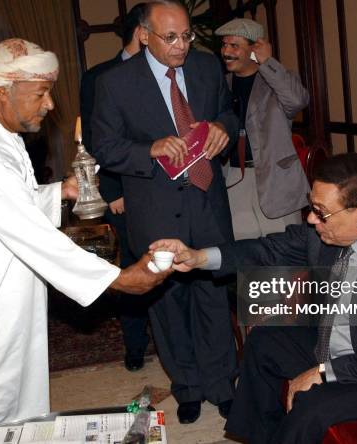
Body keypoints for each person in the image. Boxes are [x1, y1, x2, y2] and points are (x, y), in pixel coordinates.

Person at [0, 38, 170, 441]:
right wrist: (119, 279)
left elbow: (6, 205)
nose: (50, 104)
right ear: (3, 91)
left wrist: (59, 193)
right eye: (41, 93)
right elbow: (34, 237)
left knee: (7, 395)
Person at [151, 153, 357, 443]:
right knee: (265, 343)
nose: (310, 219)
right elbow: (266, 250)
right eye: (312, 207)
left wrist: (324, 371)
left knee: (313, 405)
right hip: (355, 340)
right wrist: (198, 257)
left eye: (320, 212)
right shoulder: (328, 231)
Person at [91, 0, 239, 424]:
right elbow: (104, 146)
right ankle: (188, 387)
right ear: (144, 35)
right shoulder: (115, 83)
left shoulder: (208, 68)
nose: (181, 46)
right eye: (170, 37)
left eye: (187, 35)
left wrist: (222, 128)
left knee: (213, 298)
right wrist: (149, 149)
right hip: (155, 210)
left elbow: (227, 112)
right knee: (170, 306)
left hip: (208, 204)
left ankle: (221, 384)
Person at [80, 2, 150, 372]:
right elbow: (95, 141)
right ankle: (135, 343)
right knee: (129, 266)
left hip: (163, 191)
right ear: (143, 32)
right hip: (123, 193)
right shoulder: (99, 77)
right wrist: (112, 191)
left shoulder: (170, 72)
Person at [215, 18, 310, 240]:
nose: (226, 51)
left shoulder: (276, 79)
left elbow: (297, 100)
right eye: (224, 45)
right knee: (246, 260)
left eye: (234, 46)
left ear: (255, 48)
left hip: (276, 181)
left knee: (284, 261)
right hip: (233, 179)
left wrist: (268, 62)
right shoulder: (220, 84)